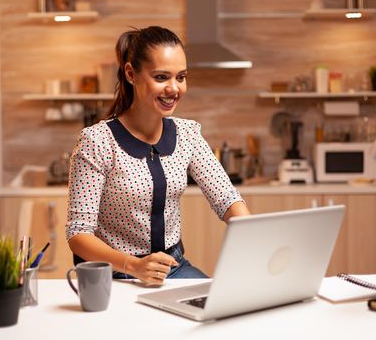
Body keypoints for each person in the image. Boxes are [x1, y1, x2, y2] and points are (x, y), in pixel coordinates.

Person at [66, 26, 250, 286]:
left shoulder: (187, 134)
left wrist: (253, 235)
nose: (174, 88)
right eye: (162, 77)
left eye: (181, 77)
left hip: (173, 269)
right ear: (131, 73)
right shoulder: (96, 141)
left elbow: (227, 199)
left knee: (221, 314)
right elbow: (78, 233)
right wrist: (134, 266)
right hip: (112, 276)